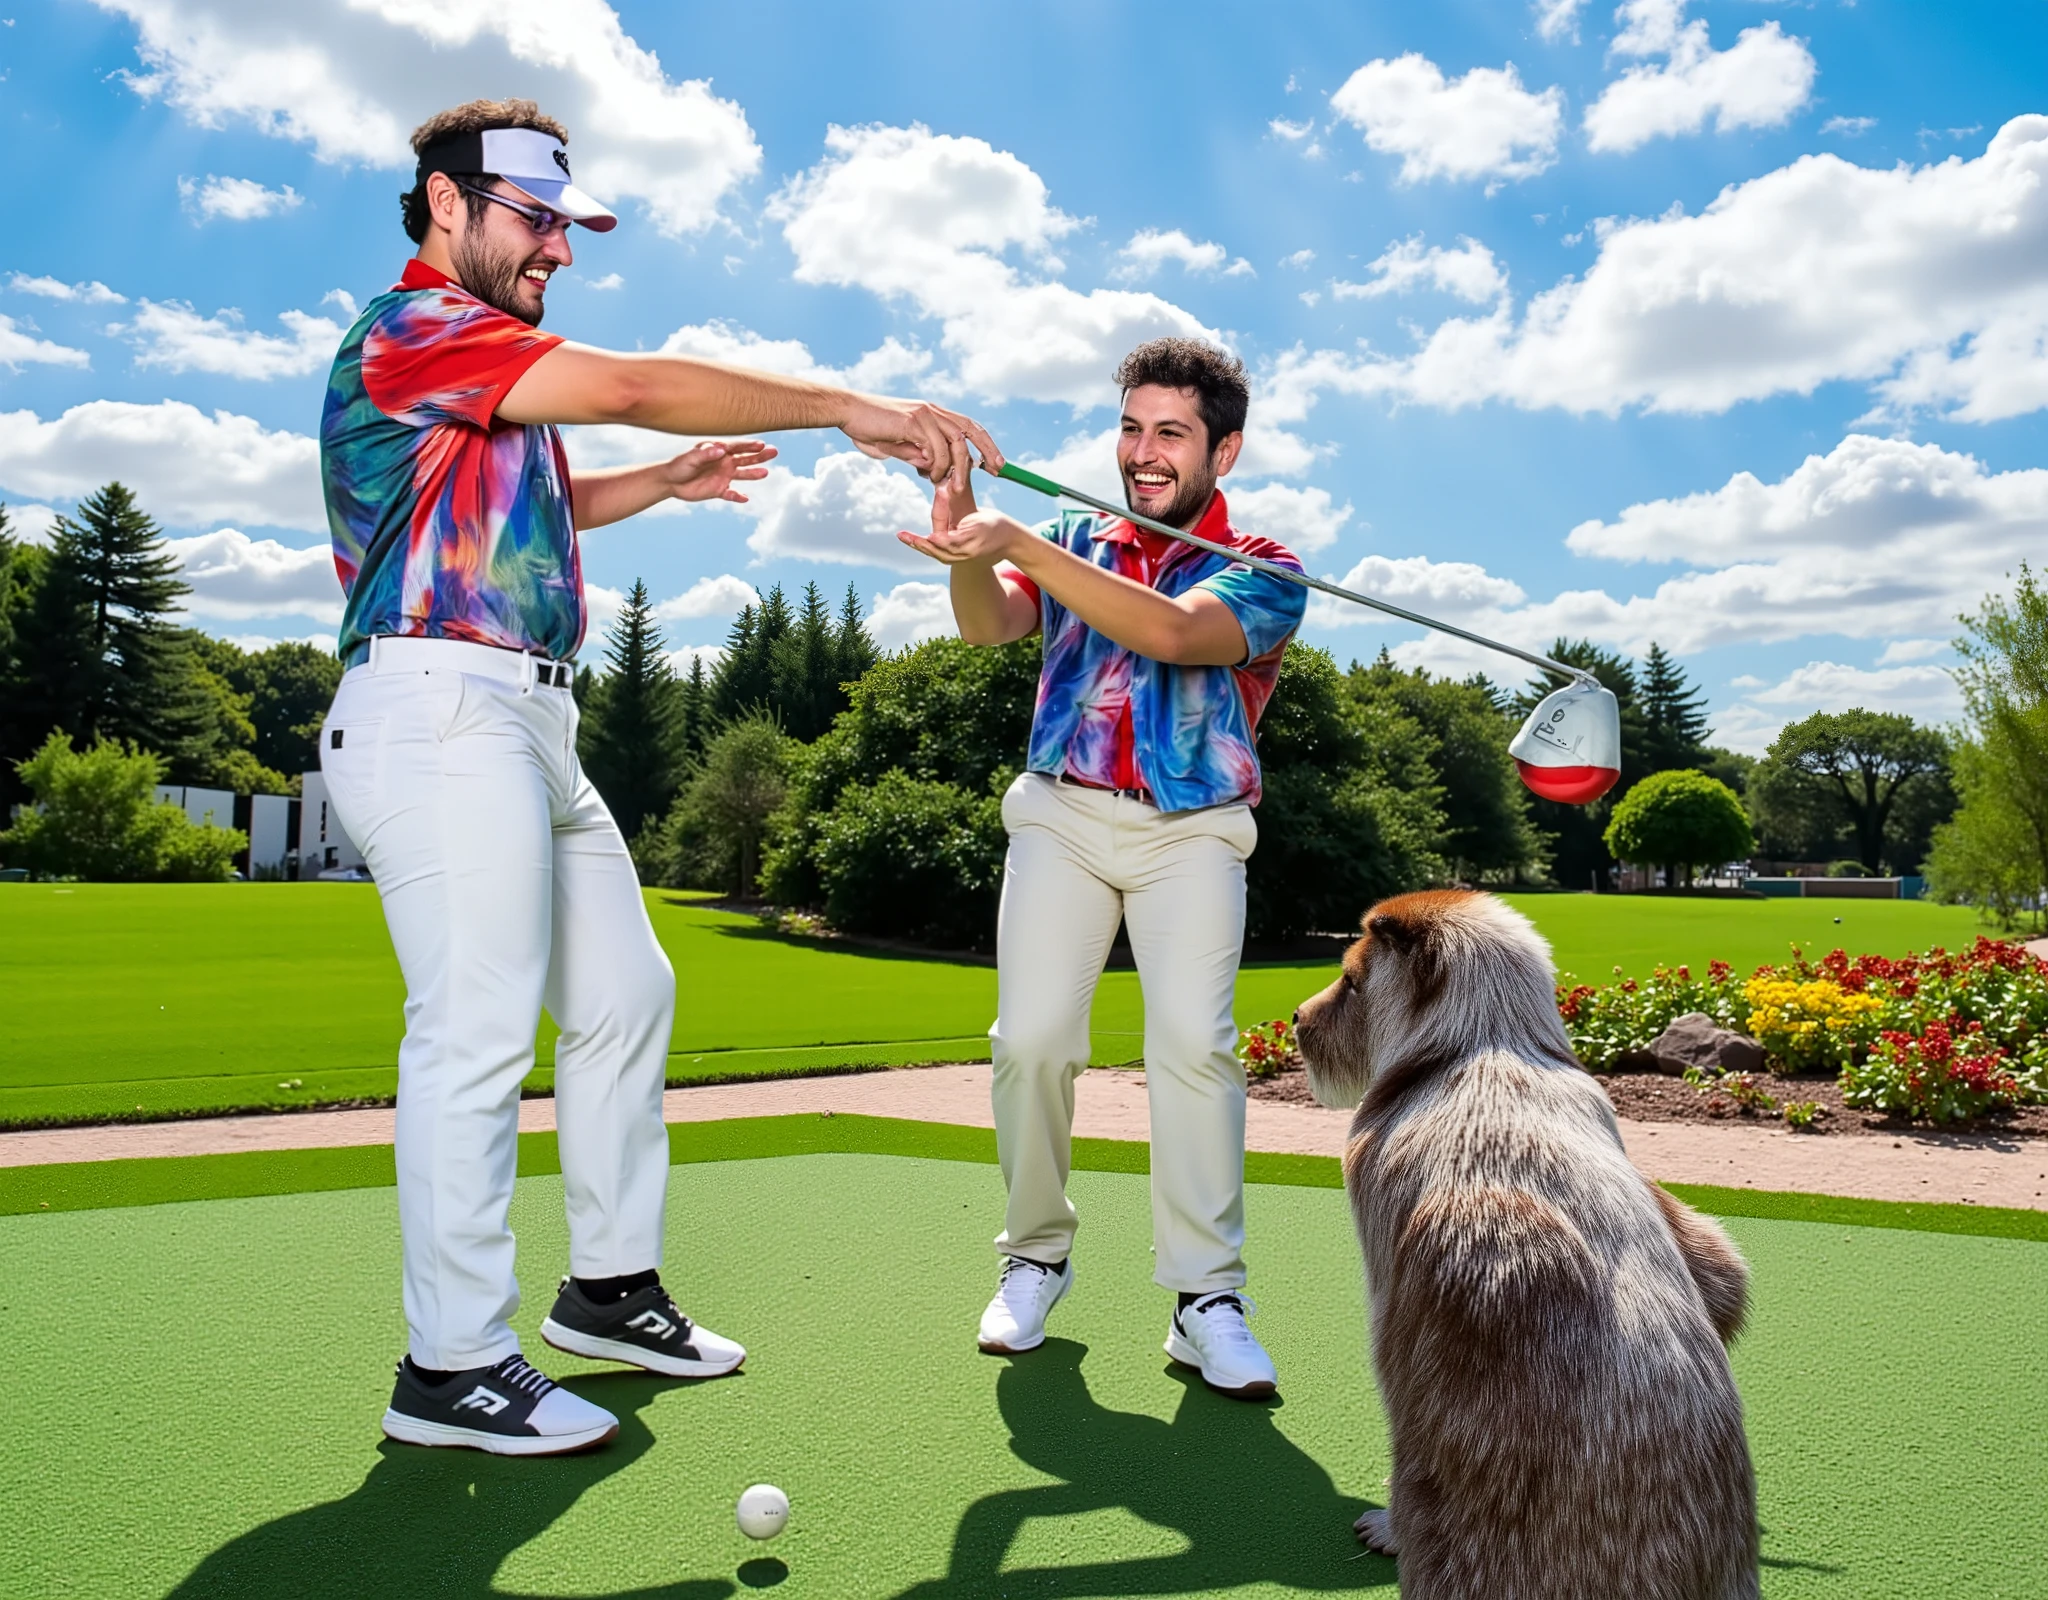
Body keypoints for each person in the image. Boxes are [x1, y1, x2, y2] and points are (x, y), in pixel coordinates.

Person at [319, 98, 1001, 1456]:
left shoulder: (473, 375)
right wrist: (848, 411)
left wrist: (663, 482)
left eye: (567, 228)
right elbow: (624, 382)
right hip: (438, 706)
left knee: (629, 992)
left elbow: (527, 504)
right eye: (535, 221)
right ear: (448, 203)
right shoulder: (409, 334)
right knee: (475, 1033)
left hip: (525, 723)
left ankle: (606, 1288)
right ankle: (450, 1366)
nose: (557, 252)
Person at [900, 338, 1306, 1398]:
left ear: (1225, 446)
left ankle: (1205, 1296)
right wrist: (962, 553)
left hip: (1192, 831)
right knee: (1030, 1041)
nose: (1141, 452)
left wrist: (1024, 544)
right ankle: (1033, 1255)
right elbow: (991, 624)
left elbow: (1175, 634)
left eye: (1169, 432)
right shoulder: (1078, 536)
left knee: (1191, 1049)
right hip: (1063, 817)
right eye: (1129, 428)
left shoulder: (1264, 569)